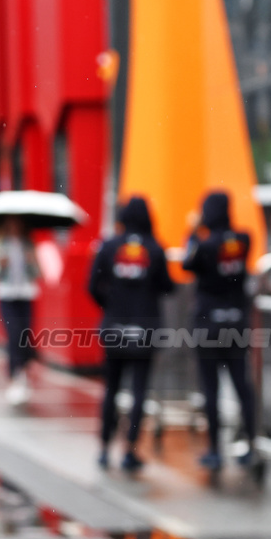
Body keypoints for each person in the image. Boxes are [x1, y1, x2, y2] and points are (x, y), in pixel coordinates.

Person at [88, 196, 175, 471]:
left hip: (114, 328)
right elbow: (167, 286)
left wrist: (110, 306)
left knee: (111, 388)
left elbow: (91, 285)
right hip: (144, 331)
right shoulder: (155, 248)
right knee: (138, 391)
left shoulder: (109, 246)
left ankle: (103, 448)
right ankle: (130, 450)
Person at [182, 189, 257, 470]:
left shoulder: (204, 245)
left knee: (210, 388)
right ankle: (252, 444)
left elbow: (188, 262)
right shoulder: (244, 239)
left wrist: (192, 231)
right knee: (242, 386)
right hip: (237, 321)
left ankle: (214, 449)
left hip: (208, 324)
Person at [0, 215, 39, 407]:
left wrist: (32, 262)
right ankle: (15, 374)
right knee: (13, 334)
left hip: (26, 294)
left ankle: (22, 371)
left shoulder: (28, 244)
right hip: (6, 294)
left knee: (24, 335)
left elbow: (38, 273)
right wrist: (0, 265)